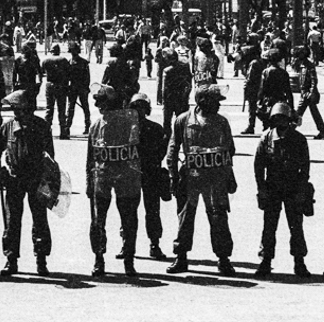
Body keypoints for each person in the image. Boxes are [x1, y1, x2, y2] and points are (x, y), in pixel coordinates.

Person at [166, 84, 237, 276]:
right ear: (203, 102)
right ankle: (180, 257)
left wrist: (229, 176)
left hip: (215, 178)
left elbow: (230, 150)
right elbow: (173, 149)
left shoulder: (221, 122)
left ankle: (223, 259)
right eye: (215, 102)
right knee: (185, 217)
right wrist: (173, 175)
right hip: (190, 177)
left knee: (218, 216)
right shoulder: (183, 120)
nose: (219, 106)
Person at [0, 89, 55, 277]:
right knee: (12, 221)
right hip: (14, 179)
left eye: (18, 108)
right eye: (15, 109)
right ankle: (11, 260)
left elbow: (50, 154)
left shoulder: (42, 126)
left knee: (40, 221)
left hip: (36, 179)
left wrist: (46, 178)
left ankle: (41, 259)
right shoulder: (7, 127)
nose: (16, 112)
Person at [87, 85, 142, 278]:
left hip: (126, 177)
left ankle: (129, 260)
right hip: (102, 178)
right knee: (97, 221)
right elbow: (91, 157)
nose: (101, 109)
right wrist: (89, 182)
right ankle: (99, 258)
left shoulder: (130, 122)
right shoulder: (96, 125)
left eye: (103, 105)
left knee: (128, 221)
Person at [253, 102, 312, 277]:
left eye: (283, 119)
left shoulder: (299, 139)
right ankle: (266, 260)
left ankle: (299, 261)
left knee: (296, 227)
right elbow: (258, 166)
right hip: (272, 188)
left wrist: (302, 190)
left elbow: (305, 168)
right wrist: (261, 188)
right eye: (277, 118)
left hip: (293, 188)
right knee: (269, 226)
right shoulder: (266, 138)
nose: (280, 122)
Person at [129, 93, 170, 261]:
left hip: (149, 173)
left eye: (141, 107)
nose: (138, 111)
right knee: (130, 211)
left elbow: (162, 151)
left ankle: (154, 243)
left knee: (151, 210)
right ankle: (128, 244)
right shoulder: (127, 128)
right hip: (133, 174)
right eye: (135, 108)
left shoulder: (155, 128)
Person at [292, 46, 324, 140]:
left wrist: (311, 92)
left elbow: (314, 80)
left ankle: (290, 131)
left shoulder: (309, 65)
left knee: (299, 112)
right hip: (304, 93)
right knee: (313, 113)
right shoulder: (302, 65)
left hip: (308, 94)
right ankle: (322, 131)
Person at [257, 49, 294, 130]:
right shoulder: (284, 73)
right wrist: (291, 106)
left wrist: (259, 101)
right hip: (280, 100)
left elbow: (262, 88)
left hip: (268, 101)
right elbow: (288, 91)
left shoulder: (266, 72)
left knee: (266, 125)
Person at [41, 44, 72, 138]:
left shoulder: (46, 60)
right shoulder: (63, 60)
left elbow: (41, 72)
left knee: (49, 108)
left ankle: (46, 131)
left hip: (50, 84)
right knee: (61, 109)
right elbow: (69, 73)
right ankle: (63, 132)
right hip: (61, 85)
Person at [160, 48, 193, 132]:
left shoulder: (167, 71)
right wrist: (186, 95)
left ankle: (168, 139)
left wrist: (163, 100)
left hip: (169, 99)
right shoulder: (185, 66)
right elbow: (189, 83)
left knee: (167, 122)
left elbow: (164, 89)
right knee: (182, 122)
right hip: (182, 97)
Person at [66, 42, 93, 135]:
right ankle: (67, 127)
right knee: (71, 108)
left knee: (84, 107)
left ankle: (87, 126)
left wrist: (86, 87)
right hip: (74, 87)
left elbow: (87, 77)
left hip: (81, 87)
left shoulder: (83, 62)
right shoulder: (69, 62)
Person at [241, 43, 266, 135]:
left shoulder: (254, 63)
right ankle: (264, 125)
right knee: (258, 107)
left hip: (254, 88)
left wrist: (246, 87)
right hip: (259, 87)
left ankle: (252, 126)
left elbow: (250, 77)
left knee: (253, 108)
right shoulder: (260, 61)